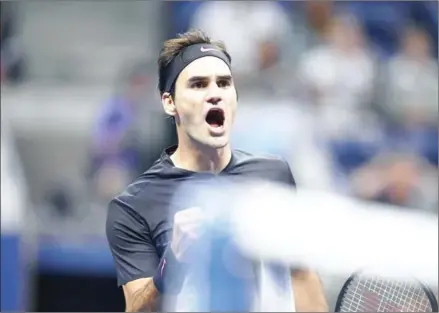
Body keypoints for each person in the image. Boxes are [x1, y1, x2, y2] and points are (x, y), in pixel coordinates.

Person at [106, 29, 328, 312]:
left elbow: (301, 275)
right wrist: (173, 260)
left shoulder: (275, 173)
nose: (214, 94)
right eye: (198, 85)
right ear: (169, 102)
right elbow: (137, 307)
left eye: (224, 83)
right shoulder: (133, 205)